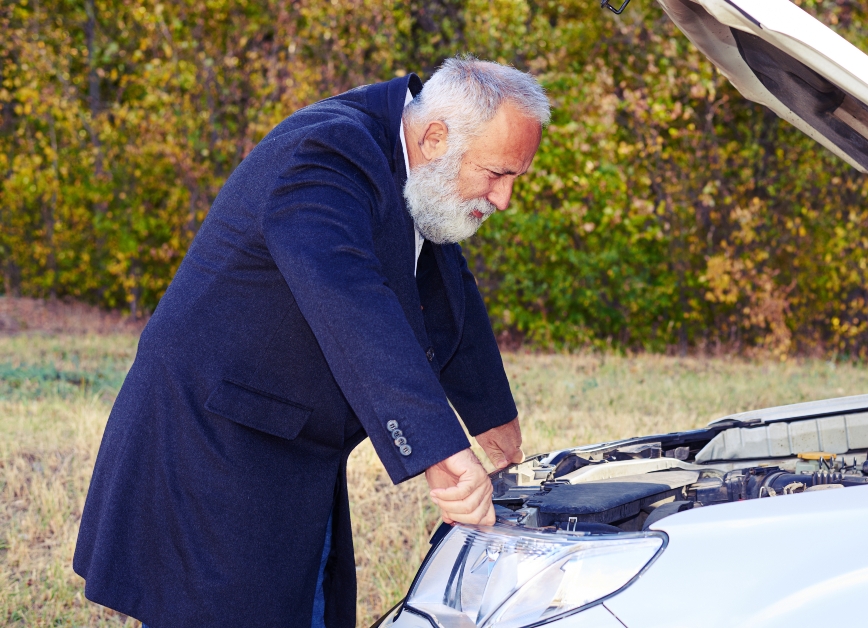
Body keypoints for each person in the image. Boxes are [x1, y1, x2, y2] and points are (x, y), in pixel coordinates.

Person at [72, 56, 550, 628]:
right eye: (497, 174)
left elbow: (448, 293)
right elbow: (350, 299)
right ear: (436, 136)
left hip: (288, 443)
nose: (503, 200)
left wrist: (496, 429)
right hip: (211, 446)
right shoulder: (327, 154)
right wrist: (440, 452)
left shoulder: (415, 163)